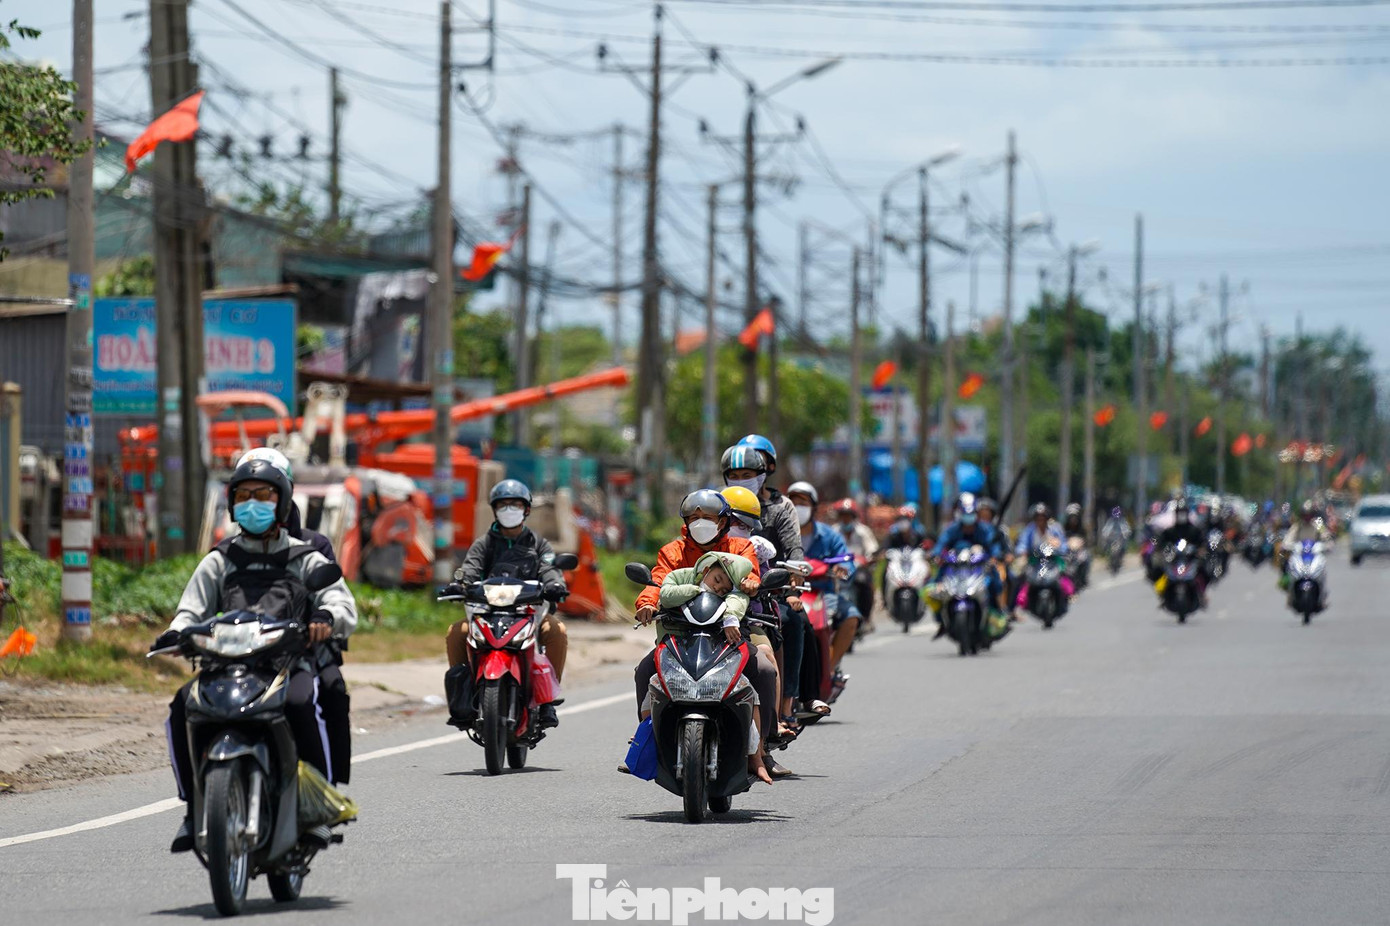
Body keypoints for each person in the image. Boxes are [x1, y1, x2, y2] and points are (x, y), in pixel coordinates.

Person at [153, 453, 358, 853]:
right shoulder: (220, 559)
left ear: (282, 500)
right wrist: (175, 634)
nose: (253, 503)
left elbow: (341, 605)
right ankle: (194, 808)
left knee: (303, 701)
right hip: (227, 664)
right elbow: (189, 610)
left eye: (263, 494)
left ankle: (318, 803)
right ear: (231, 503)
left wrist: (325, 617)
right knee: (182, 706)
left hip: (285, 663)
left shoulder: (305, 556)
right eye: (244, 495)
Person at [630, 490, 776, 784]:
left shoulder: (740, 547)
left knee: (764, 669)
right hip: (681, 633)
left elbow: (751, 575)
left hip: (730, 633)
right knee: (644, 671)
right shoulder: (672, 552)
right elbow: (658, 581)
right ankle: (647, 743)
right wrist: (646, 603)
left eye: (707, 517)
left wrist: (750, 583)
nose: (700, 523)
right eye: (694, 517)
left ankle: (761, 750)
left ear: (723, 521)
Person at [445, 479, 570, 729]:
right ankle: (464, 693)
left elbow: (549, 568)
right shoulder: (484, 543)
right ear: (494, 509)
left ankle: (546, 701)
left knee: (557, 631)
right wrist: (461, 584)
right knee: (456, 632)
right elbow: (470, 568)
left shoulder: (538, 544)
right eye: (503, 505)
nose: (509, 509)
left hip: (530, 613)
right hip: (487, 613)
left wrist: (555, 584)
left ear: (525, 510)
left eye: (515, 504)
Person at [787, 481, 860, 708]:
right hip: (788, 593)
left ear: (814, 507)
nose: (798, 507)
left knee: (851, 617)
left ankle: (829, 667)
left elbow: (846, 560)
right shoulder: (781, 531)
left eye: (803, 503)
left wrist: (842, 569)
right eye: (793, 502)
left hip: (823, 593)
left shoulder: (829, 536)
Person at [932, 493, 1008, 633]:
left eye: (972, 513)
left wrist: (995, 557)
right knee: (935, 585)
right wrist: (936, 555)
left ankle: (998, 611)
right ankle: (940, 619)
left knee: (995, 582)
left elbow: (994, 546)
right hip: (955, 569)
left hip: (979, 569)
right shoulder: (952, 529)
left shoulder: (984, 529)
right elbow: (940, 544)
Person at [832, 498, 880, 629]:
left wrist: (869, 558)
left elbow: (872, 549)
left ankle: (865, 616)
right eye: (842, 516)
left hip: (858, 569)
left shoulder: (863, 532)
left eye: (848, 516)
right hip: (838, 569)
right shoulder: (833, 532)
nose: (845, 519)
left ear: (853, 517)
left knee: (864, 582)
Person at [1156, 498, 1209, 606]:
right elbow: (1161, 541)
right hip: (1174, 560)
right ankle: (1162, 593)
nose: (1181, 516)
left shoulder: (1194, 530)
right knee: (1157, 570)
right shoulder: (1170, 531)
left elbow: (1202, 542)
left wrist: (1200, 550)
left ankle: (1202, 593)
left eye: (1183, 513)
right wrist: (1162, 550)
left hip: (1190, 559)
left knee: (1205, 570)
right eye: (1179, 513)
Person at [1277, 500, 1332, 589]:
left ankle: (1321, 592)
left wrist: (1327, 544)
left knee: (1322, 570)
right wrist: (1285, 545)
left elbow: (1326, 536)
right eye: (1305, 515)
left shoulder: (1318, 524)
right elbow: (1288, 538)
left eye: (1309, 514)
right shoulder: (1297, 526)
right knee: (1290, 568)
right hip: (1300, 555)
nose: (1307, 517)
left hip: (1314, 555)